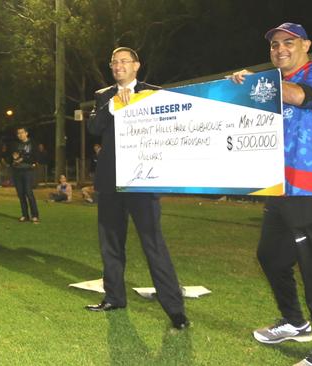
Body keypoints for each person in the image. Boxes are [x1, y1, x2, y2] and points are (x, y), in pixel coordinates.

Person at [230, 23, 312, 365]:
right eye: (274, 44)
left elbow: (302, 97)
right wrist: (241, 91)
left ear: (306, 45)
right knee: (271, 257)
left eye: (288, 42)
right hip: (281, 190)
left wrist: (259, 83)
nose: (280, 49)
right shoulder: (272, 86)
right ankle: (294, 321)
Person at [85, 46, 188, 330]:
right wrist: (114, 103)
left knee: (153, 244)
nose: (118, 66)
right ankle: (114, 297)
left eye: (124, 61)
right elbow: (94, 128)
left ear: (136, 65)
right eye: (114, 62)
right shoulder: (103, 95)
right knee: (111, 244)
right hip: (110, 181)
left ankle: (175, 309)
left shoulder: (154, 92)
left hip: (143, 180)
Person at [10, 127, 39, 223]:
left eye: (22, 133)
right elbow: (12, 157)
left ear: (26, 133)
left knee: (29, 193)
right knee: (21, 194)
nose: (20, 135)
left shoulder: (32, 144)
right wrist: (15, 160)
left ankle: (35, 215)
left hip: (28, 171)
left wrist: (22, 159)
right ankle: (25, 215)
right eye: (18, 133)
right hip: (17, 171)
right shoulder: (16, 145)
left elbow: (34, 157)